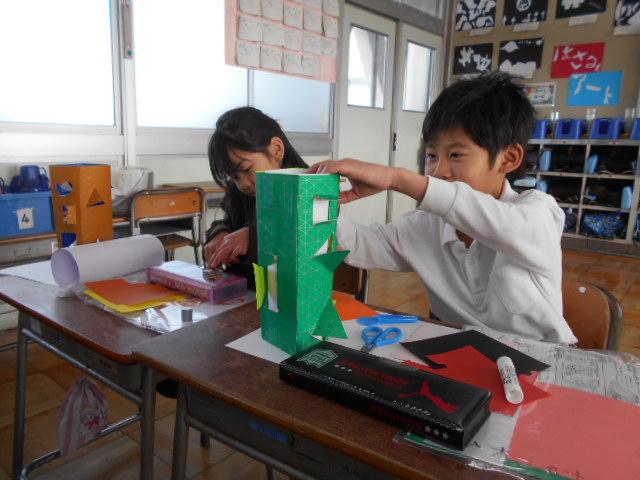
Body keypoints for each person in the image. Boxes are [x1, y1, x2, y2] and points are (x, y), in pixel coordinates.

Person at [309, 72, 577, 344]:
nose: (439, 171)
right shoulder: (425, 224)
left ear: (508, 159)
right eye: (432, 155)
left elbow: (506, 226)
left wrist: (397, 179)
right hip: (462, 353)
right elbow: (357, 245)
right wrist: (325, 201)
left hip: (543, 359)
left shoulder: (539, 212)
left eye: (456, 155)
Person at [204, 106, 308, 285]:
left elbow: (306, 238)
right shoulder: (239, 191)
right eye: (234, 177)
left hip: (288, 293)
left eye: (246, 169)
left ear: (276, 149)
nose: (243, 184)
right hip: (246, 290)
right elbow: (229, 222)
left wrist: (254, 237)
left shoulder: (308, 187)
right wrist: (219, 233)